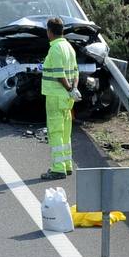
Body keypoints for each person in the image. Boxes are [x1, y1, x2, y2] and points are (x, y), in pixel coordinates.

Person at [41, 16, 80, 180]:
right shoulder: (69, 47)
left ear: (49, 32)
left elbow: (58, 74)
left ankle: (58, 168)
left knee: (55, 131)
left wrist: (70, 88)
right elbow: (76, 72)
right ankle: (67, 165)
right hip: (66, 98)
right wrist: (73, 89)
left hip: (56, 96)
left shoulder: (55, 49)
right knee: (65, 132)